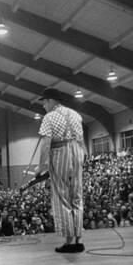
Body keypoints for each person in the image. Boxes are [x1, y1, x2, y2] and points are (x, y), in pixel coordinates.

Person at [36, 88, 86, 253]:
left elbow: (46, 143)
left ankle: (69, 242)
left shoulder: (49, 117)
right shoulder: (76, 114)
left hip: (60, 153)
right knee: (77, 197)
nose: (43, 106)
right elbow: (81, 141)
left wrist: (41, 166)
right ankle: (78, 239)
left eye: (44, 102)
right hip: (77, 152)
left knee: (62, 196)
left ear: (51, 100)